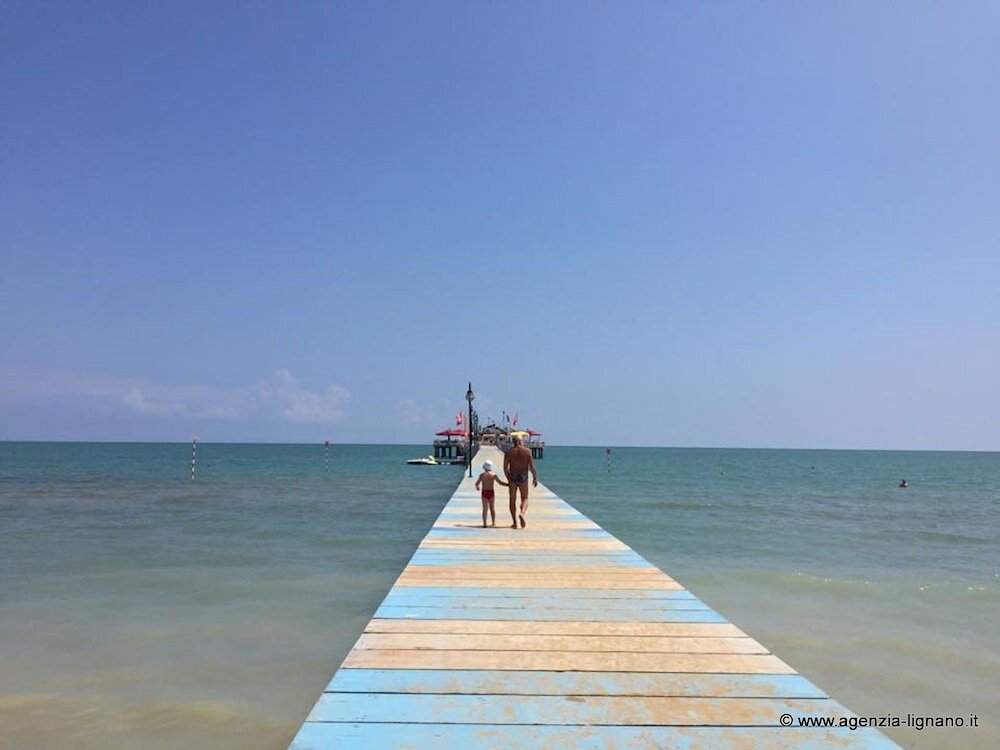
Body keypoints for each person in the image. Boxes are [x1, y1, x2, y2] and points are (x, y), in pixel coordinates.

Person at [503, 436, 538, 528]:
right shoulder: (527, 451)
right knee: (525, 498)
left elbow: (505, 468)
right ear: (519, 441)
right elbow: (531, 467)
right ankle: (522, 513)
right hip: (523, 477)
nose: (523, 442)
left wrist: (508, 478)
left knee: (512, 499)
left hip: (513, 477)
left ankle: (514, 522)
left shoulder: (509, 452)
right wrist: (535, 477)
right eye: (522, 440)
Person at [475, 460, 507, 528]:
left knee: (485, 509)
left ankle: (484, 523)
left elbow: (477, 484)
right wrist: (508, 485)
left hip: (484, 492)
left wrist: (478, 487)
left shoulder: (482, 475)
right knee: (492, 508)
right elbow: (500, 482)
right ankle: (493, 522)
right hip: (491, 492)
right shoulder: (493, 475)